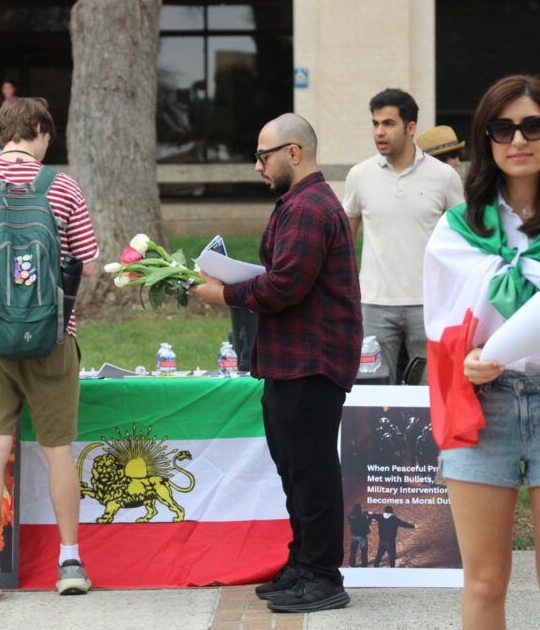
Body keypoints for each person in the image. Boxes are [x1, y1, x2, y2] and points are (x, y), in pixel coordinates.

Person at [423, 74, 540, 628]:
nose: (518, 140)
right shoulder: (461, 226)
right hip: (484, 408)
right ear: (486, 140)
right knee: (483, 583)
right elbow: (441, 327)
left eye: (533, 125)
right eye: (502, 128)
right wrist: (466, 361)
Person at [191, 113, 361, 613]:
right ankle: (304, 562)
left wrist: (221, 292)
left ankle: (324, 575)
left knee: (310, 470)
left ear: (293, 153)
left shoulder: (309, 207)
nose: (258, 166)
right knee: (295, 469)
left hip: (311, 361)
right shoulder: (299, 204)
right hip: (293, 359)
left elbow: (285, 285)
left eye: (263, 156)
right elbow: (286, 275)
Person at [0, 97, 99, 602]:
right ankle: (70, 560)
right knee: (58, 452)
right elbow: (89, 264)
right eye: (48, 136)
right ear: (36, 129)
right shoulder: (63, 187)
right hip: (52, 334)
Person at [343, 89, 464, 384]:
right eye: (375, 124)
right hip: (373, 303)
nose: (380, 132)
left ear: (411, 128)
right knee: (372, 393)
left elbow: (463, 243)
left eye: (388, 123)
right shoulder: (359, 175)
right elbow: (343, 242)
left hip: (430, 302)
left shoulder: (445, 177)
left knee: (432, 392)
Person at [0, 79, 17, 158]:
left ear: (14, 89)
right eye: (5, 88)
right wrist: (2, 109)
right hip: (0, 132)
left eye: (9, 88)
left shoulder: (18, 101)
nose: (7, 90)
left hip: (14, 133)